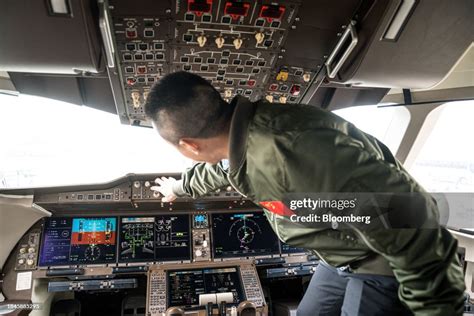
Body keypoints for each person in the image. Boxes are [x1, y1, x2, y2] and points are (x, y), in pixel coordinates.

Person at [144, 71, 465, 315]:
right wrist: (178, 187)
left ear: (189, 145)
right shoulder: (244, 135)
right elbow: (221, 168)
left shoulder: (294, 155)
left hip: (379, 261)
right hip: (340, 254)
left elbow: (415, 225)